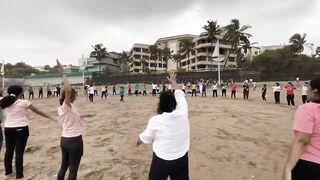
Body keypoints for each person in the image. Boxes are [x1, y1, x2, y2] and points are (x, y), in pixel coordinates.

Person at [137, 72, 190, 180]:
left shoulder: (155, 120)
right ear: (174, 104)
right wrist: (174, 82)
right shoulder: (182, 112)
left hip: (161, 159)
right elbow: (180, 94)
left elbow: (145, 138)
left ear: (160, 105)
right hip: (181, 158)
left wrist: (137, 141)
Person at [0, 85, 52, 179]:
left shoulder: (4, 101)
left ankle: (8, 173)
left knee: (9, 151)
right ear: (20, 93)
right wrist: (49, 117)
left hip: (8, 128)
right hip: (21, 128)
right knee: (19, 152)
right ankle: (19, 175)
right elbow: (38, 111)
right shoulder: (24, 102)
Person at [56, 60, 92, 180]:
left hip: (65, 140)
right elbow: (67, 90)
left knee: (63, 167)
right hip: (74, 141)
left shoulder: (67, 107)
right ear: (71, 96)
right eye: (74, 95)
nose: (75, 96)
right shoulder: (66, 107)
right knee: (73, 170)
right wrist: (63, 73)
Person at [282, 77, 320, 180]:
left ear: (315, 91)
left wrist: (288, 169)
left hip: (311, 165)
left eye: (309, 87)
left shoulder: (307, 109)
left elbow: (302, 140)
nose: (307, 90)